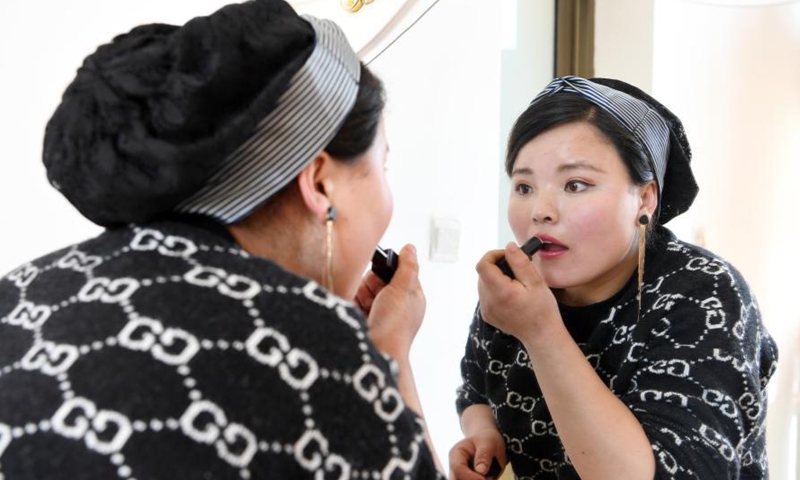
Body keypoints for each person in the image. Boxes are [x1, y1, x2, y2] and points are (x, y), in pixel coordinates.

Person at [0, 1, 443, 478]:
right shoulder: (319, 357)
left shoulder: (19, 292)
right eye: (383, 165)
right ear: (319, 183)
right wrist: (388, 352)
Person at [450, 76, 778, 480]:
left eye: (575, 184)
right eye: (523, 186)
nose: (541, 210)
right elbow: (475, 387)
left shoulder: (705, 293)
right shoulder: (516, 288)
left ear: (644, 198)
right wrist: (483, 432)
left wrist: (541, 331)